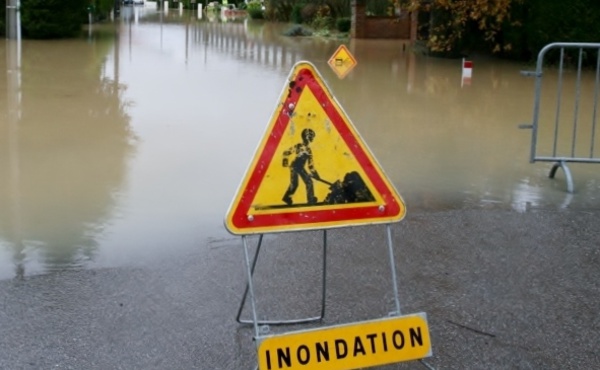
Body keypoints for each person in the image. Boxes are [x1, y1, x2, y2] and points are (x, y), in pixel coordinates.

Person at [281, 128, 320, 205]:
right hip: (295, 166)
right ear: (306, 137)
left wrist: (316, 174)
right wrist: (285, 162)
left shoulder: (308, 150)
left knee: (303, 183)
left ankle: (309, 199)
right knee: (299, 183)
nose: (312, 139)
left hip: (299, 167)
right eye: (311, 137)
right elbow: (286, 153)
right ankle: (288, 198)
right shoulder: (299, 146)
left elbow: (310, 165)